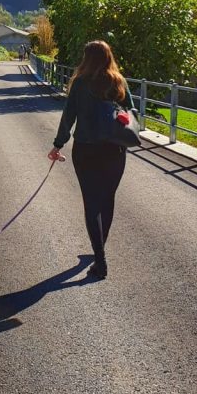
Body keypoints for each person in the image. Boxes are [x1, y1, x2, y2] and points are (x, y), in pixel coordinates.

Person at [47, 40, 132, 279]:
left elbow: (68, 116)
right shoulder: (119, 82)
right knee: (107, 200)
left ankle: (101, 259)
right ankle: (99, 252)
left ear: (87, 59)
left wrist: (58, 144)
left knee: (91, 202)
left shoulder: (80, 83)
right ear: (108, 57)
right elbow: (133, 112)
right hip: (115, 150)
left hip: (86, 149)